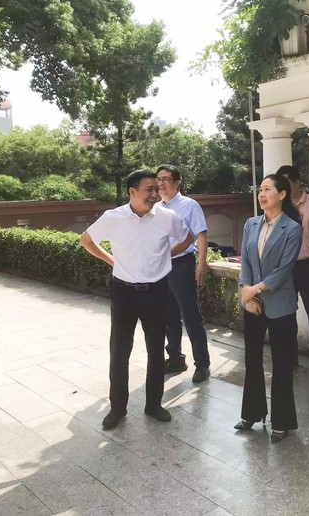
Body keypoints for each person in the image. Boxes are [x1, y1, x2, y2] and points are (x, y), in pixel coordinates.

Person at [80, 170, 193, 430]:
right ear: (132, 191)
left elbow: (187, 238)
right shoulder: (113, 217)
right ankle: (117, 408)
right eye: (149, 189)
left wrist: (165, 256)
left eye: (157, 188)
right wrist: (111, 260)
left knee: (156, 350)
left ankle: (154, 404)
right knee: (119, 352)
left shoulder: (167, 217)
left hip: (157, 292)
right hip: (124, 293)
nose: (155, 194)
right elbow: (86, 240)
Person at [234, 174, 303, 443]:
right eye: (259, 189)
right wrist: (247, 292)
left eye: (267, 189)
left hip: (280, 304)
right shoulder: (251, 224)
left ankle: (282, 422)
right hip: (252, 303)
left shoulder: (292, 228)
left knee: (282, 363)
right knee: (252, 359)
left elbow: (284, 269)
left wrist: (256, 289)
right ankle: (251, 413)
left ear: (282, 194)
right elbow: (245, 261)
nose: (261, 194)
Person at [156, 165, 211, 383]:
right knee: (168, 316)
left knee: (191, 316)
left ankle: (202, 364)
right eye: (158, 179)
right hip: (162, 267)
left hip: (182, 265)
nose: (161, 183)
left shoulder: (189, 205)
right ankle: (175, 358)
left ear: (178, 182)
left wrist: (201, 264)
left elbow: (201, 235)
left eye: (166, 179)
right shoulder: (155, 208)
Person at [276, 164, 309, 378]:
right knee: (287, 313)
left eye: (287, 183)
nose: (283, 188)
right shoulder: (280, 206)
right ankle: (291, 356)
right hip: (286, 267)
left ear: (298, 182)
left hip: (307, 265)